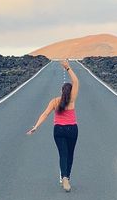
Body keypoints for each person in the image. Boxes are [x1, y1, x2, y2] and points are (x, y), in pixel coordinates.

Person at [26, 60, 79, 191]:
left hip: (59, 130)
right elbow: (76, 81)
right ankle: (67, 177)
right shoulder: (72, 100)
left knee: (63, 154)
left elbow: (44, 114)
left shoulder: (55, 101)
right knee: (70, 154)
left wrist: (35, 126)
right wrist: (68, 68)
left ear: (61, 91)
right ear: (71, 92)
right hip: (72, 129)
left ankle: (64, 177)